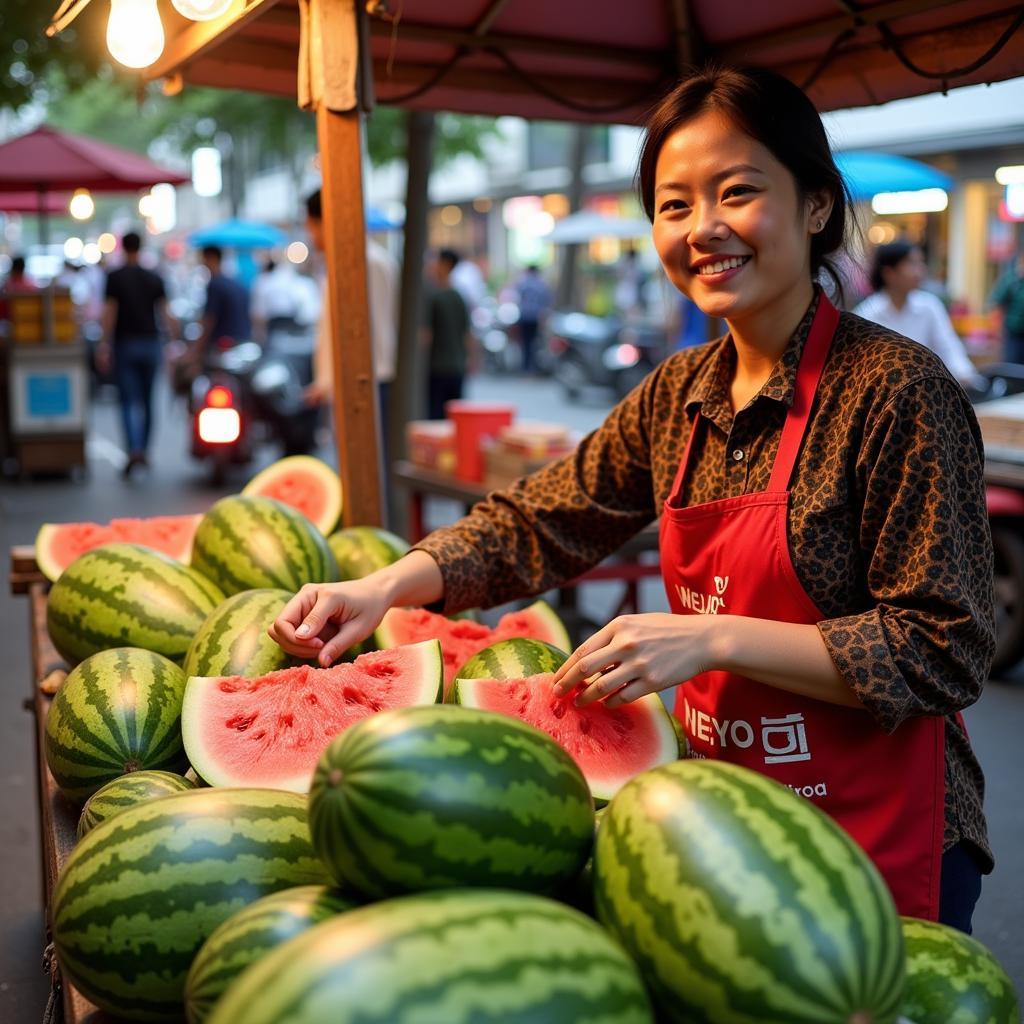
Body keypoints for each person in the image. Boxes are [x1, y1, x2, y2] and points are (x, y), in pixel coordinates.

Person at [270, 65, 994, 932]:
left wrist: (714, 637)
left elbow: (944, 648)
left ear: (813, 206)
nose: (703, 229)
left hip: (881, 840)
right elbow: (540, 519)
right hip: (714, 828)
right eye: (674, 204)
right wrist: (386, 585)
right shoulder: (677, 393)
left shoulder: (894, 389)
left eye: (737, 192)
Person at [303, 189, 399, 459]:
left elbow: (355, 331)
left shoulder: (359, 262)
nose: (311, 235)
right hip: (367, 381)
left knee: (367, 466)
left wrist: (326, 381)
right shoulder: (372, 259)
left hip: (365, 383)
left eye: (310, 225)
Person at [854, 241, 986, 392]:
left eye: (920, 263)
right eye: (911, 264)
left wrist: (970, 379)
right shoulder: (867, 313)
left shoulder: (929, 306)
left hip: (927, 392)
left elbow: (948, 348)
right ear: (889, 273)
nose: (920, 270)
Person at [98, 232, 176, 476]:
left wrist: (103, 343)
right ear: (140, 247)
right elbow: (166, 314)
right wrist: (177, 340)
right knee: (148, 401)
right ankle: (145, 450)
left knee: (129, 401)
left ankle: (134, 449)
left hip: (125, 344)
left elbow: (109, 313)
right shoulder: (154, 277)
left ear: (123, 248)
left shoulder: (115, 277)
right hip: (150, 343)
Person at [423, 249, 471, 419]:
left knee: (436, 417)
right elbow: (468, 335)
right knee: (454, 419)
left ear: (445, 265)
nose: (432, 265)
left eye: (436, 261)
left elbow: (425, 336)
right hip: (456, 367)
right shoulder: (459, 296)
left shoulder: (434, 297)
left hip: (437, 367)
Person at [513, 264, 552, 375]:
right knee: (534, 343)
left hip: (524, 316)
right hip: (536, 317)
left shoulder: (523, 283)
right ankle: (532, 368)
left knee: (525, 343)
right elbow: (547, 301)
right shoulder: (542, 284)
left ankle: (525, 368)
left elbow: (517, 297)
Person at [989, 248, 1024, 363]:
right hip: (1014, 336)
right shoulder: (1011, 280)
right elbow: (997, 307)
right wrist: (997, 334)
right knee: (1013, 370)